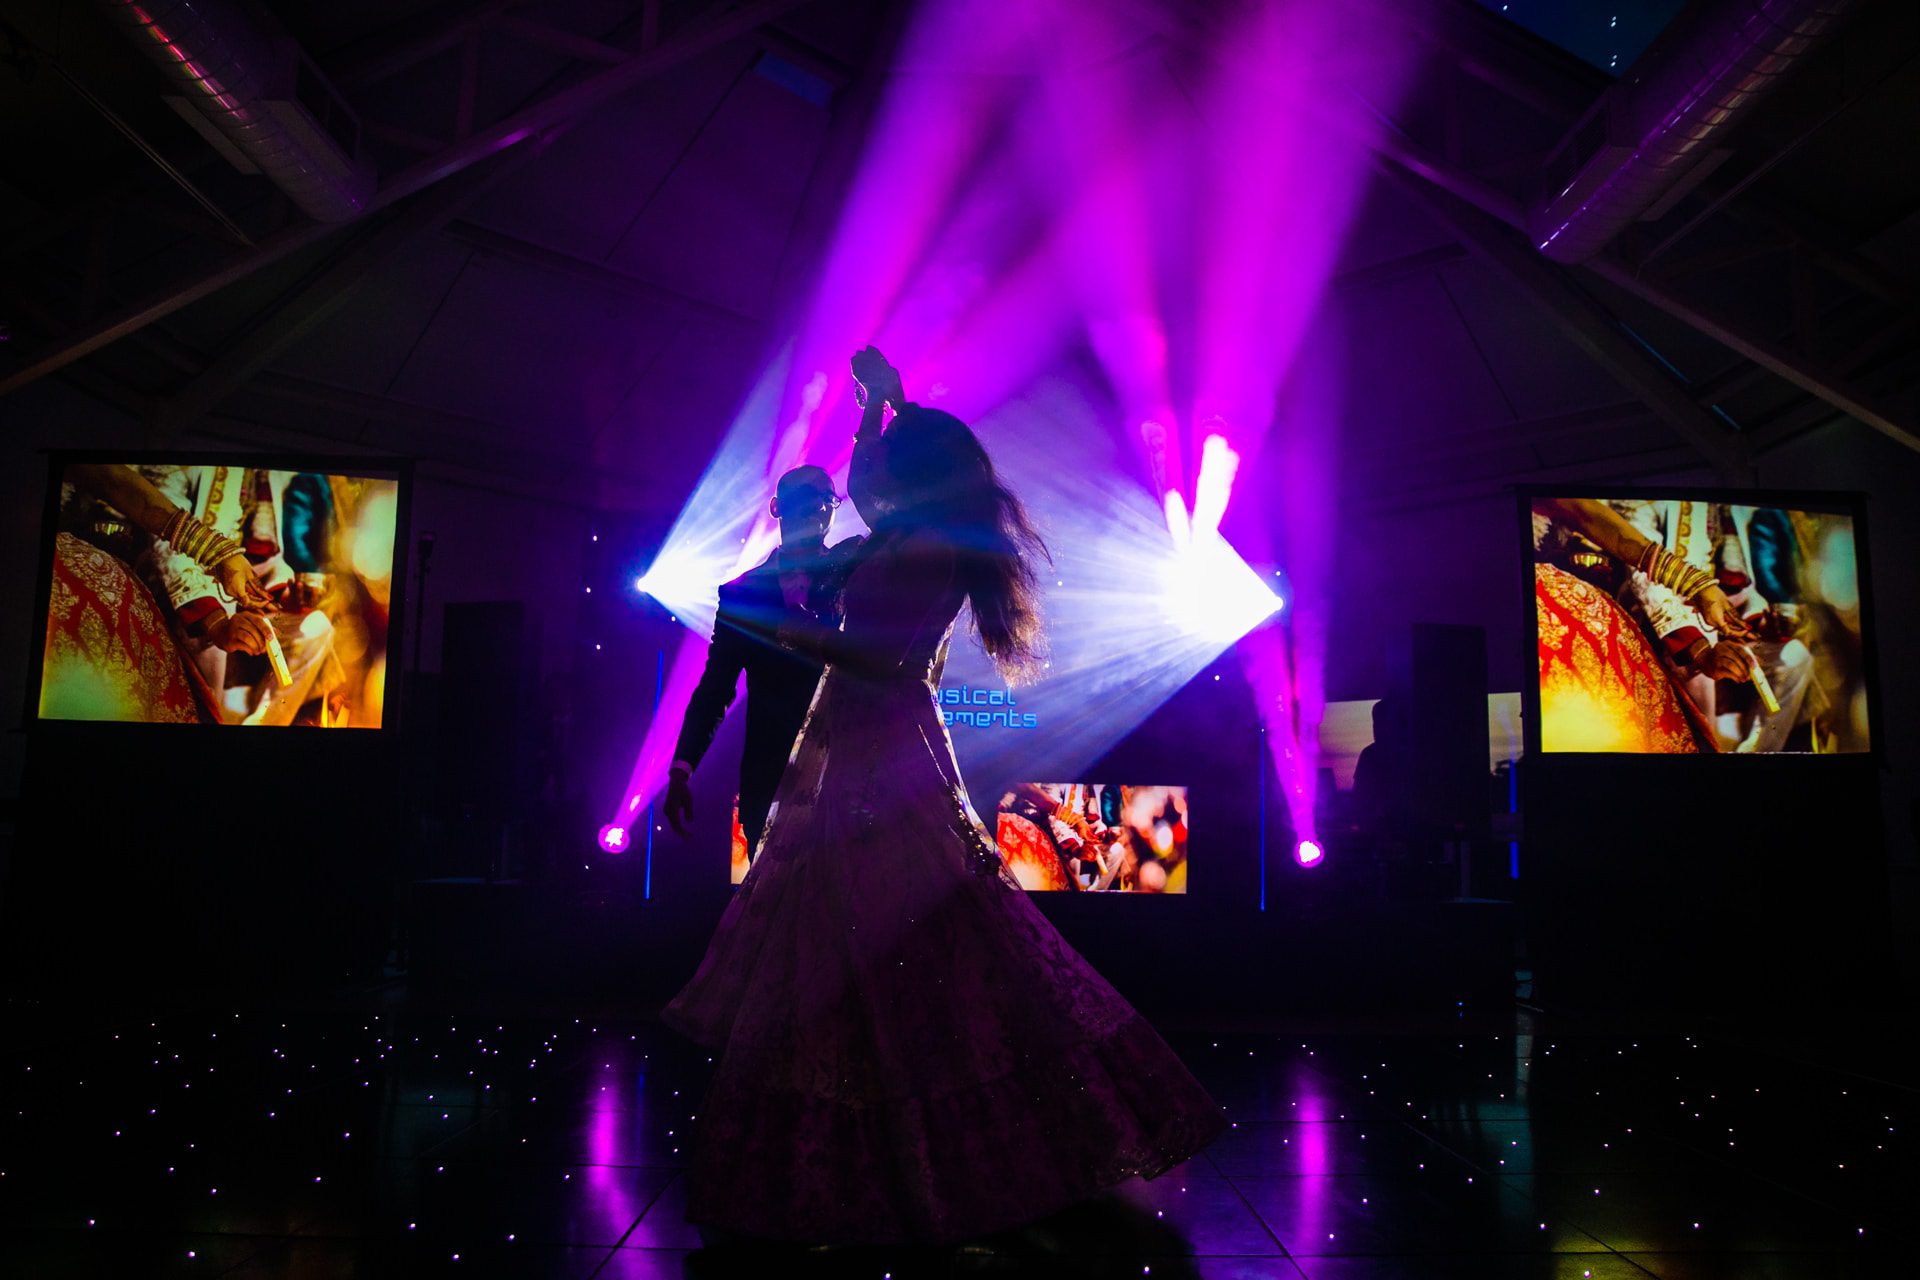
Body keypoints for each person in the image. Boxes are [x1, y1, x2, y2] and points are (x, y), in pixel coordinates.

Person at [661, 347, 1227, 1246]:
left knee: (928, 944)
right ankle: (882, 1154)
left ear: (910, 480)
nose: (862, 482)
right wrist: (879, 408)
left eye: (884, 465)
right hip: (858, 745)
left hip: (887, 750)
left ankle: (979, 1146)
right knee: (863, 948)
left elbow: (883, 661)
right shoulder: (900, 531)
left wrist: (790, 629)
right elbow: (863, 479)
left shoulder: (924, 548)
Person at [664, 465, 864, 861]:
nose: (819, 509)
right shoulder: (744, 594)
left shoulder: (853, 570)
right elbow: (715, 688)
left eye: (828, 500)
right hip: (771, 773)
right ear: (777, 508)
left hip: (845, 763)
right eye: (807, 499)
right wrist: (681, 768)